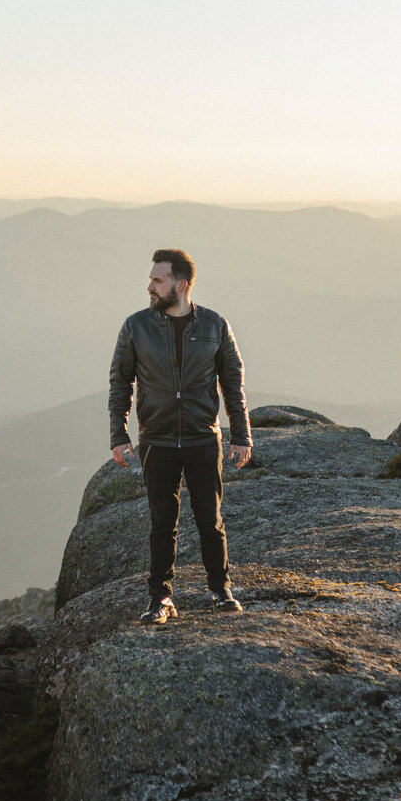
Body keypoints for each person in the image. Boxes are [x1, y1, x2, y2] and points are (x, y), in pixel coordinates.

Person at [108, 249, 252, 624]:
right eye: (151, 279)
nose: (149, 287)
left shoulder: (214, 325)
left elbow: (233, 382)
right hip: (156, 438)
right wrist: (118, 434)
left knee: (210, 518)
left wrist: (242, 435)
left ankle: (220, 590)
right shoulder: (135, 326)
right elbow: (120, 382)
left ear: (181, 284)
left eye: (158, 280)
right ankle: (161, 598)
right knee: (162, 522)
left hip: (203, 438)